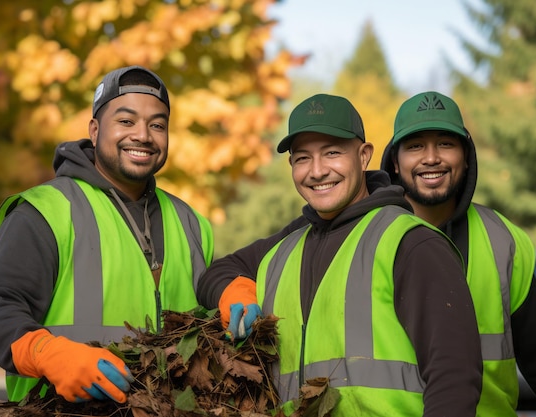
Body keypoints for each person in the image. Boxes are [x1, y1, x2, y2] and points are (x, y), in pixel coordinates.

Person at [198, 93, 483, 416]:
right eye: (303, 158)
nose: (317, 171)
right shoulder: (287, 248)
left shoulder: (410, 243)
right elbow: (215, 275)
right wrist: (237, 291)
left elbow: (455, 378)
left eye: (332, 153)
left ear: (364, 157)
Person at [0, 66, 213, 404]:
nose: (143, 135)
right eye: (126, 121)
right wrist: (47, 353)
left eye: (157, 124)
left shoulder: (192, 224)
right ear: (94, 131)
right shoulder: (45, 212)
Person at [380, 91, 536, 416]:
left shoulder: (502, 240)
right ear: (395, 161)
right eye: (415, 145)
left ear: (466, 156)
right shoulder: (367, 237)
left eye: (446, 144)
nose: (431, 158)